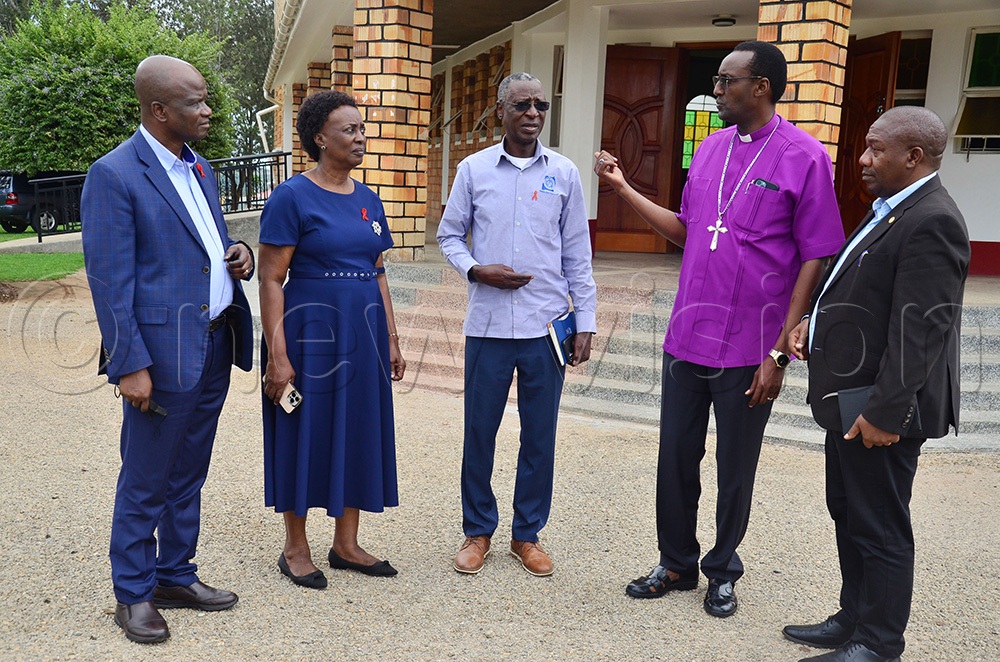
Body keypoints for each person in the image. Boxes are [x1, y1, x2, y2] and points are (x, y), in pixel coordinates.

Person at [594, 40, 844, 617]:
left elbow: (815, 254)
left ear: (760, 87)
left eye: (726, 80)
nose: (716, 88)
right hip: (688, 334)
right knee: (676, 456)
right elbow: (688, 230)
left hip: (751, 344)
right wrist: (624, 189)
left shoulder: (806, 156)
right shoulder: (709, 150)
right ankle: (676, 561)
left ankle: (723, 569)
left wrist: (780, 349)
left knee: (735, 466)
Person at [782, 107, 969, 662]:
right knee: (850, 511)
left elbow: (920, 331)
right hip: (851, 402)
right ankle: (852, 619)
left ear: (913, 157)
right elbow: (864, 289)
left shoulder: (933, 218)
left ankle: (879, 644)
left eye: (874, 149)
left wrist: (887, 414)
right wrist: (817, 320)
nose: (862, 159)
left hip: (880, 411)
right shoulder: (892, 208)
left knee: (881, 526)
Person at [82, 55, 255, 644]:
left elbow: (207, 241)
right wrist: (129, 363)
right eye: (195, 102)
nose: (207, 110)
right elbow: (110, 282)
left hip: (213, 342)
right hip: (159, 357)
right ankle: (132, 593)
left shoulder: (199, 168)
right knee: (147, 474)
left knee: (188, 471)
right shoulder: (114, 174)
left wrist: (240, 255)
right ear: (159, 111)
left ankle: (174, 575)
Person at [437, 72, 597, 577]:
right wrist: (476, 270)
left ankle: (527, 535)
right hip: (486, 326)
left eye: (541, 106)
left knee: (539, 436)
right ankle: (477, 530)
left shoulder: (565, 173)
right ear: (500, 109)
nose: (533, 114)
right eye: (523, 105)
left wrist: (586, 320)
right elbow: (449, 236)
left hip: (545, 328)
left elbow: (578, 253)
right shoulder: (473, 170)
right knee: (479, 433)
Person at [258, 90, 405, 590]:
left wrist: (391, 337)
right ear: (320, 138)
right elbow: (270, 278)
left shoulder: (369, 199)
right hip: (309, 336)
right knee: (305, 430)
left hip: (362, 335)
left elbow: (378, 271)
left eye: (362, 129)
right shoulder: (291, 196)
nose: (361, 137)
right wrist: (278, 355)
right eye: (350, 129)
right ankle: (295, 548)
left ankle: (346, 543)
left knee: (358, 427)